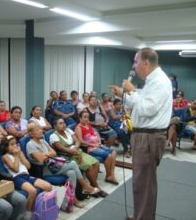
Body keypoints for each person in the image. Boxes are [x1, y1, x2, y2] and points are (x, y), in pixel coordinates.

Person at [111, 47, 172, 220]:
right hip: (145, 136)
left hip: (149, 137)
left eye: (136, 61)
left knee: (143, 183)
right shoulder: (153, 81)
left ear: (146, 63)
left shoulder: (159, 81)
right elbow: (142, 102)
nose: (134, 65)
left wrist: (130, 90)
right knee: (142, 183)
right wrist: (125, 93)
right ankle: (141, 214)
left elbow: (146, 109)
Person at [26, 123, 99, 208]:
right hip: (45, 170)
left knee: (71, 172)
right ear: (31, 133)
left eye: (40, 129)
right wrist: (49, 154)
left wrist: (46, 154)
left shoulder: (43, 141)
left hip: (54, 165)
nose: (41, 131)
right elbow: (41, 160)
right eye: (37, 130)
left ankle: (74, 198)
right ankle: (85, 186)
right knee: (73, 163)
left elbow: (54, 152)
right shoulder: (30, 144)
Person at [50, 118, 108, 197]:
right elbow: (61, 148)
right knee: (89, 167)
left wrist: (76, 147)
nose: (63, 124)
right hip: (68, 156)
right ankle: (97, 188)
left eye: (64, 123)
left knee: (96, 163)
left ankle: (92, 186)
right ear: (55, 126)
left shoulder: (68, 131)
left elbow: (77, 141)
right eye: (60, 123)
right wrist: (74, 151)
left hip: (77, 152)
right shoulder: (53, 136)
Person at [1, 135, 52, 219]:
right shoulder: (5, 156)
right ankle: (27, 213)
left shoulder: (20, 153)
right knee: (32, 191)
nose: (15, 145)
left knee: (48, 186)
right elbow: (16, 169)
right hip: (16, 178)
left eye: (16, 143)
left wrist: (20, 155)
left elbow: (28, 166)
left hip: (26, 175)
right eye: (12, 144)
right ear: (6, 147)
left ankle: (38, 207)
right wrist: (17, 156)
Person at [74, 111, 118, 185]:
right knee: (109, 155)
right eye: (84, 117)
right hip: (90, 148)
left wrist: (99, 141)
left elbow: (96, 133)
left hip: (98, 145)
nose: (86, 119)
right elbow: (81, 141)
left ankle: (111, 175)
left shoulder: (88, 124)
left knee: (114, 152)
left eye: (87, 117)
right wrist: (93, 145)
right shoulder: (78, 128)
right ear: (80, 118)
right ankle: (108, 175)